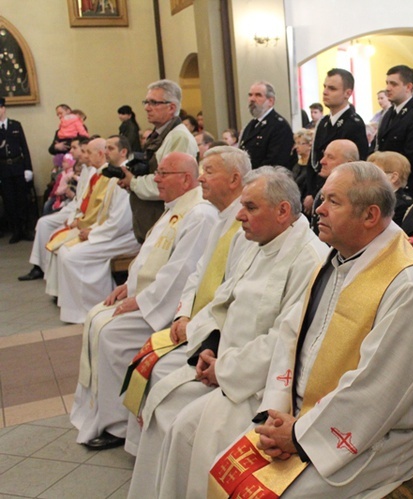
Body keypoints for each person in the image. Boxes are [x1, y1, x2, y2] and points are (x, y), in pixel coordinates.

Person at [208, 162, 413, 498]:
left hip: (380, 436)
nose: (317, 209)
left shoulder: (408, 289)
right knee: (223, 467)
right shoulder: (336, 261)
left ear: (370, 216)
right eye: (322, 199)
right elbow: (292, 337)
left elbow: (375, 388)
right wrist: (280, 410)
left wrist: (299, 435)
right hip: (307, 414)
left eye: (333, 202)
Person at [131, 166, 328, 498]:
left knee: (183, 427)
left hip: (256, 384)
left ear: (283, 211)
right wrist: (209, 346)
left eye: (250, 207)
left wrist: (224, 368)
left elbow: (285, 340)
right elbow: (222, 301)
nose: (240, 216)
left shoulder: (309, 259)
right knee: (162, 404)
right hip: (224, 365)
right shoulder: (253, 242)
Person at [70, 152, 218, 451]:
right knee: (97, 318)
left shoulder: (199, 215)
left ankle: (117, 425)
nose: (156, 179)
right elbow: (150, 255)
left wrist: (142, 301)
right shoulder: (176, 208)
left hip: (163, 307)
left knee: (110, 333)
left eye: (163, 173)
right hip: (149, 297)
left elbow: (182, 272)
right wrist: (127, 286)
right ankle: (97, 410)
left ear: (185, 179)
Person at [118, 147, 252, 459]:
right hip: (194, 321)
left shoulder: (243, 227)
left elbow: (229, 293)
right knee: (153, 361)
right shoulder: (221, 218)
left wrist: (196, 324)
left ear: (234, 179)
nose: (201, 179)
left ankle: (162, 456)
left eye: (209, 172)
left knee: (161, 371)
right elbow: (197, 275)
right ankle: (147, 453)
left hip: (214, 332)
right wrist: (181, 314)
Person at [53, 136, 141, 323]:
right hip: (111, 232)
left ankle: (94, 308)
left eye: (110, 148)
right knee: (67, 251)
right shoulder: (113, 173)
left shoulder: (128, 174)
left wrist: (93, 233)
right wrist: (92, 227)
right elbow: (104, 212)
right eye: (106, 148)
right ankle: (79, 309)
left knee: (73, 256)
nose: (106, 152)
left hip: (127, 236)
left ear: (123, 151)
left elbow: (121, 220)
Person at [118, 79, 199, 243]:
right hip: (150, 220)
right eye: (146, 102)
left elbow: (169, 182)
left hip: (166, 222)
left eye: (154, 103)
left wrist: (133, 182)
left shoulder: (179, 137)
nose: (147, 107)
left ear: (171, 107)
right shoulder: (158, 135)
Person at [19, 138, 94, 281]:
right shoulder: (84, 169)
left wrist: (73, 217)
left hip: (79, 213)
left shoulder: (92, 171)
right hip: (73, 208)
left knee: (46, 224)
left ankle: (43, 269)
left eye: (75, 148)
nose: (71, 151)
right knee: (43, 222)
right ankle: (39, 266)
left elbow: (86, 201)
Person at [308, 68, 368, 212]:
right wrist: (310, 192)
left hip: (339, 192)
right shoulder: (323, 122)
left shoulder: (353, 123)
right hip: (319, 188)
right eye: (325, 87)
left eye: (332, 88)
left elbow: (355, 165)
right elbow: (314, 159)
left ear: (348, 93)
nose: (325, 92)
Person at [377, 64, 413, 200]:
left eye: (394, 84)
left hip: (407, 188)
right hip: (387, 184)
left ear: (408, 87)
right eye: (387, 83)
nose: (388, 88)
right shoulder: (389, 113)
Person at [0, 96, 34, 243]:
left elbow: (24, 148)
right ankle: (16, 230)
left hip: (18, 167)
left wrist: (28, 168)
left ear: (4, 108)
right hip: (3, 169)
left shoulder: (15, 125)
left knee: (22, 199)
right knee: (9, 201)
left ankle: (25, 229)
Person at [238, 81, 294, 168]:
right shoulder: (252, 125)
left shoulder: (279, 126)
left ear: (270, 101)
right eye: (250, 95)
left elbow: (275, 162)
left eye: (258, 95)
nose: (252, 99)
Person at [308, 139, 359, 232]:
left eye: (330, 157)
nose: (322, 161)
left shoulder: (353, 195)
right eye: (324, 155)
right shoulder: (325, 186)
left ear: (349, 163)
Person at [367, 150, 413, 225]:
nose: (367, 177)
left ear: (393, 177)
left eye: (374, 173)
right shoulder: (369, 199)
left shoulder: (403, 206)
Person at [291, 129, 313, 200]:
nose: (296, 146)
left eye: (299, 143)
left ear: (309, 145)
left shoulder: (312, 165)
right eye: (296, 143)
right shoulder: (296, 163)